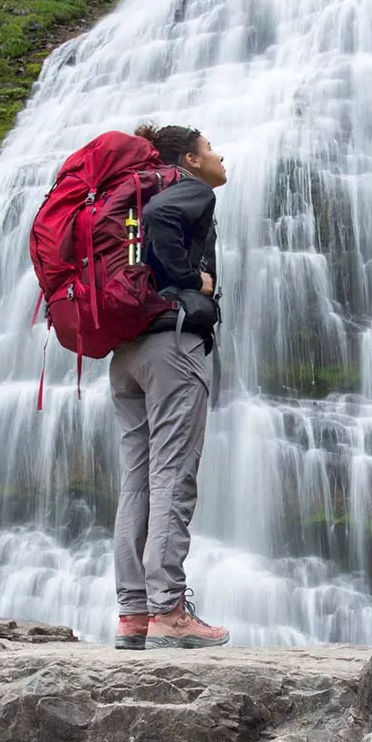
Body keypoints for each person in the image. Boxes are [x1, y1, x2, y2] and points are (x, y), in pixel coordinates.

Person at [110, 122, 230, 650]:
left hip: (127, 351)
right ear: (190, 159)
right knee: (173, 476)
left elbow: (151, 222)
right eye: (211, 148)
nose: (220, 155)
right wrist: (188, 280)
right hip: (172, 348)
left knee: (136, 479)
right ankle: (169, 612)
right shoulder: (185, 190)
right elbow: (163, 218)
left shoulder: (136, 194)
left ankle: (133, 612)